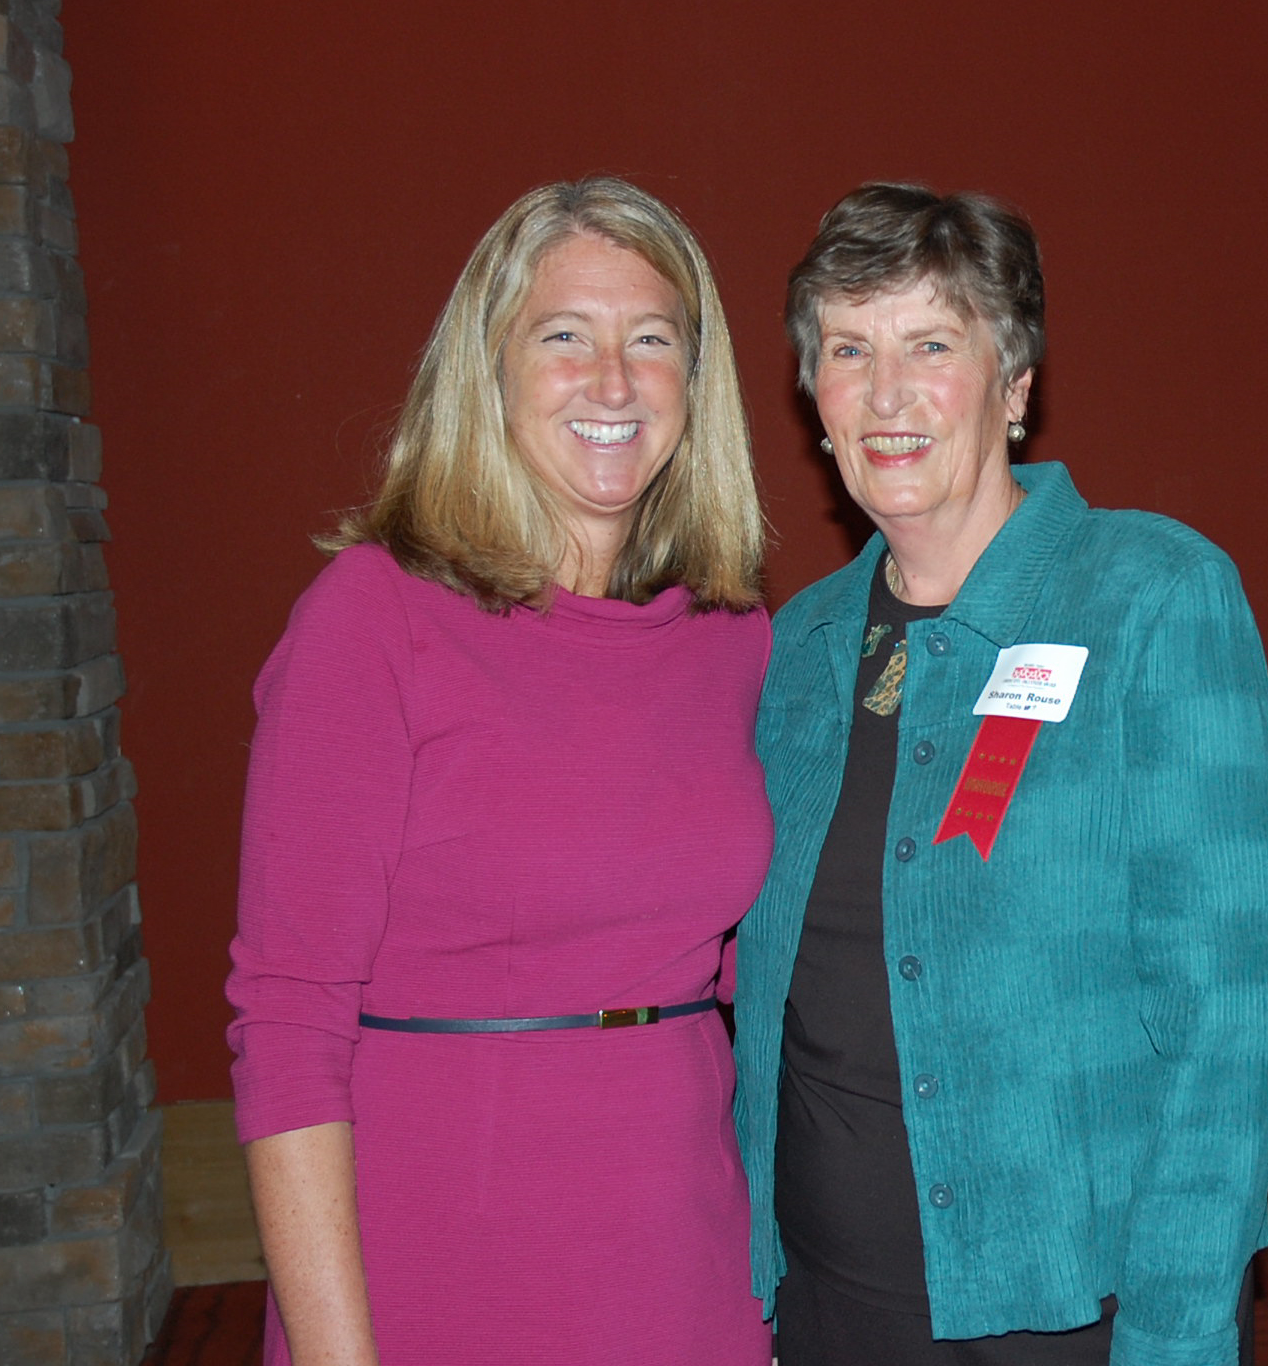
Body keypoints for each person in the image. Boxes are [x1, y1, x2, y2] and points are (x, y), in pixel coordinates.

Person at [733, 183, 1268, 1366]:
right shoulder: (799, 648)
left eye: (931, 344)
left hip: (1068, 1310)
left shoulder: (1153, 596)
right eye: (848, 350)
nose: (886, 393)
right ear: (814, 400)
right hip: (832, 1300)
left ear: (1017, 383)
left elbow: (1229, 1022)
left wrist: (1179, 1332)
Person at [226, 177, 774, 1366]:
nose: (613, 382)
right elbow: (287, 1022)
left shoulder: (732, 641)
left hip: (684, 1269)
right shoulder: (372, 620)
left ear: (699, 379)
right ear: (490, 368)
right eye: (563, 335)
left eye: (652, 340)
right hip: (441, 1272)